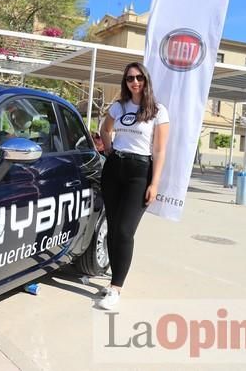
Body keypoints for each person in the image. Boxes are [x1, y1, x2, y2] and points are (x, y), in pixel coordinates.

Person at [97, 62, 170, 310]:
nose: (134, 82)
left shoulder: (158, 111)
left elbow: (160, 150)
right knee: (113, 227)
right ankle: (112, 280)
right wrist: (109, 148)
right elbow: (104, 129)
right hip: (114, 167)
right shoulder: (118, 106)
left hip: (140, 172)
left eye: (139, 78)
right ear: (125, 82)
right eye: (130, 78)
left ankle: (116, 288)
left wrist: (155, 183)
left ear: (146, 80)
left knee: (126, 230)